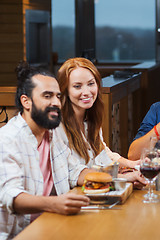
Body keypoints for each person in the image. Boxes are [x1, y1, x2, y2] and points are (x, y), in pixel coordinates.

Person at [0, 62, 91, 239]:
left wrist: (118, 179)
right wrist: (54, 203)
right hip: (18, 235)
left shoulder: (52, 132)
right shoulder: (7, 139)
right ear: (26, 101)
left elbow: (74, 171)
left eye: (58, 96)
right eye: (47, 96)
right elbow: (11, 196)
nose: (56, 103)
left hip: (51, 225)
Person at [56, 57, 146, 188]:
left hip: (92, 194)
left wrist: (134, 164)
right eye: (77, 86)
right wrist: (124, 178)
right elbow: (73, 173)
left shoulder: (90, 118)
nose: (86, 92)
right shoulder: (57, 126)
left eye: (91, 84)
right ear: (65, 90)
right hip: (70, 198)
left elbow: (103, 153)